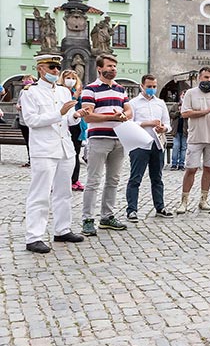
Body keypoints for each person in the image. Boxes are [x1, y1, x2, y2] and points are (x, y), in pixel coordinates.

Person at [20, 54, 86, 253]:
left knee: (64, 192)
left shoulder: (64, 92)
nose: (56, 71)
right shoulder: (30, 92)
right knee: (40, 193)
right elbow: (32, 120)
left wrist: (75, 115)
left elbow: (66, 122)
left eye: (58, 67)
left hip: (64, 147)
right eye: (52, 67)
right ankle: (34, 236)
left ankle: (62, 229)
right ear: (40, 68)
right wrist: (60, 113)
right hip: (44, 148)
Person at [80, 54, 133, 235]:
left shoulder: (120, 89)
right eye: (109, 66)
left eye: (114, 66)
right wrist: (111, 117)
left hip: (119, 138)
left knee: (113, 180)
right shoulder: (90, 89)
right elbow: (87, 115)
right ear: (100, 69)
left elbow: (129, 110)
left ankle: (107, 217)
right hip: (99, 138)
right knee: (93, 180)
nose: (113, 69)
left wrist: (125, 115)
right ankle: (87, 219)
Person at [176, 66, 210, 214]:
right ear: (200, 77)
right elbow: (185, 113)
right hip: (195, 137)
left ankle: (203, 199)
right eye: (206, 77)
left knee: (208, 169)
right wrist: (204, 112)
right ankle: (184, 201)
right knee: (191, 169)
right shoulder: (190, 93)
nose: (209, 80)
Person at [125, 74, 173, 221]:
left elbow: (168, 124)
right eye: (149, 86)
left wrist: (163, 128)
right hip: (140, 143)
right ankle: (131, 209)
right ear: (142, 86)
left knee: (157, 178)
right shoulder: (133, 103)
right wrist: (146, 123)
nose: (152, 89)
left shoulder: (160, 103)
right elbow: (129, 123)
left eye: (154, 86)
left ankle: (160, 207)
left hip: (157, 143)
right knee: (135, 178)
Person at [61, 69, 86, 191]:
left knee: (75, 154)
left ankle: (74, 179)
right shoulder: (59, 91)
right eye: (68, 78)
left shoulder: (80, 92)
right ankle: (60, 181)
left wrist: (78, 97)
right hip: (63, 126)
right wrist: (73, 97)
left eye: (73, 78)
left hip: (76, 126)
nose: (71, 80)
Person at [16, 75, 36, 166]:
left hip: (32, 120)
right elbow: (18, 102)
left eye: (30, 79)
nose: (28, 81)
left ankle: (34, 160)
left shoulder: (35, 90)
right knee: (27, 140)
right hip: (23, 120)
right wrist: (18, 106)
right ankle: (30, 159)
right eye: (26, 79)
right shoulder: (22, 91)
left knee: (33, 141)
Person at [169, 89, 187, 170]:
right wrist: (178, 112)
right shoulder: (175, 105)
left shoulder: (189, 106)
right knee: (176, 146)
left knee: (183, 147)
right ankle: (174, 164)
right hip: (176, 130)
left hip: (185, 130)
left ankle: (181, 164)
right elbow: (171, 114)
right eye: (183, 95)